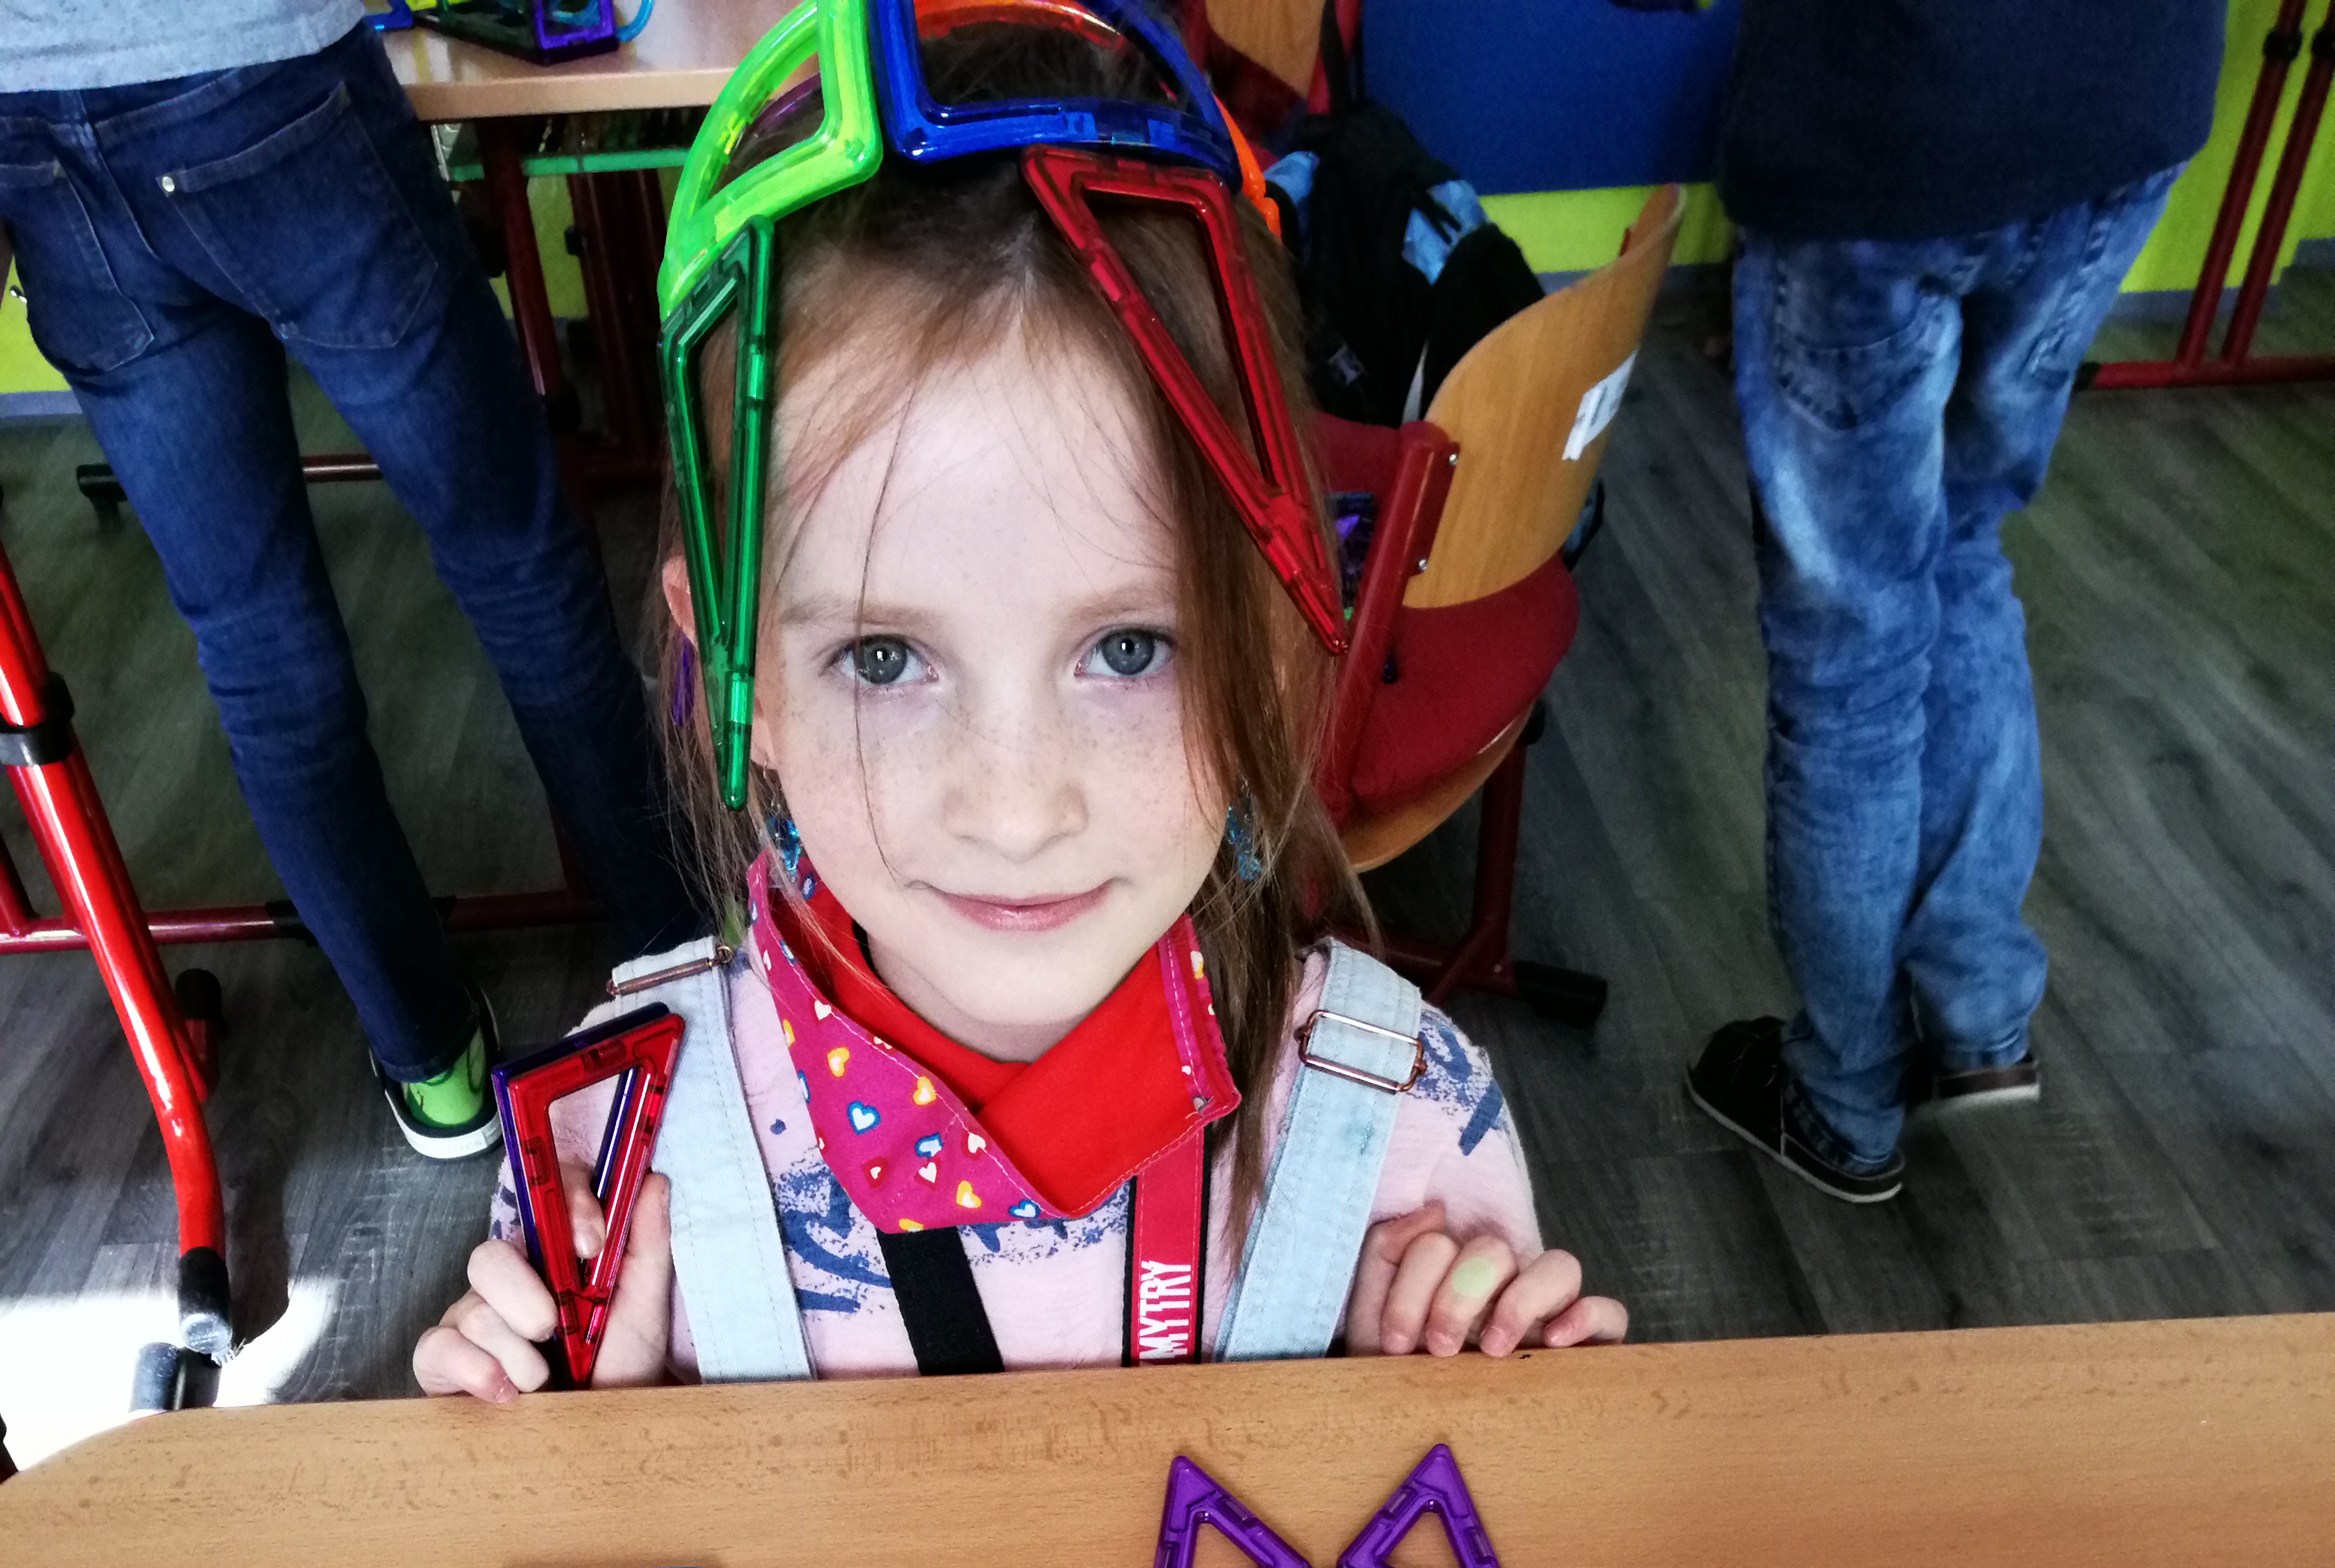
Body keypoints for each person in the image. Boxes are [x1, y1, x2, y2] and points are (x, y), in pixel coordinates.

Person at [415, 7, 1623, 1397]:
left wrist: (1455, 1376)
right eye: (884, 659)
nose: (1015, 806)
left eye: (1130, 648)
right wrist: (593, 1429)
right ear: (736, 670)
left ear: (1276, 639)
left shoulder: (1404, 1139)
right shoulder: (618, 1158)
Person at [0, 5, 699, 1159]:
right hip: (258, 72)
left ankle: (433, 1066)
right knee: (517, 560)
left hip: (32, 125)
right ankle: (681, 964)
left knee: (255, 649)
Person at [1685, 0, 2222, 1204]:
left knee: (1850, 653)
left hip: (1889, 124)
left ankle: (1842, 1099)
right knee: (1964, 543)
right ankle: (1978, 1016)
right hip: (2128, 101)